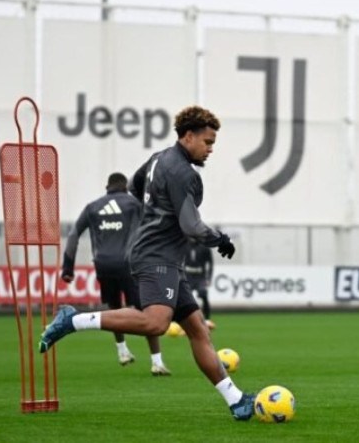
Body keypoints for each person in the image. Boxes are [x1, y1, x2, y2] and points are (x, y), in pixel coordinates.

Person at [40, 105, 254, 421]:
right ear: (189, 136)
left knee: (198, 330)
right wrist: (220, 239)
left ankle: (237, 401)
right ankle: (73, 319)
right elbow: (191, 226)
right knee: (156, 323)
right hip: (157, 257)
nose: (210, 150)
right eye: (207, 142)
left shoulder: (158, 159)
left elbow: (135, 185)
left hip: (163, 256)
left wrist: (154, 214)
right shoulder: (184, 173)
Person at [61, 172, 171, 376]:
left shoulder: (92, 207)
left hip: (103, 264)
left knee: (114, 307)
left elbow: (74, 234)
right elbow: (155, 226)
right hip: (130, 264)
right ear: (125, 187)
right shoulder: (134, 204)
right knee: (146, 312)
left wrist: (68, 268)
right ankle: (157, 361)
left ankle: (122, 352)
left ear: (107, 187)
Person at [185, 240, 216, 330]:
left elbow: (210, 263)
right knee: (183, 298)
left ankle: (207, 319)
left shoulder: (205, 247)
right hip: (187, 275)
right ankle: (183, 320)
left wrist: (209, 278)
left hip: (200, 276)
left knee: (203, 294)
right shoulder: (184, 244)